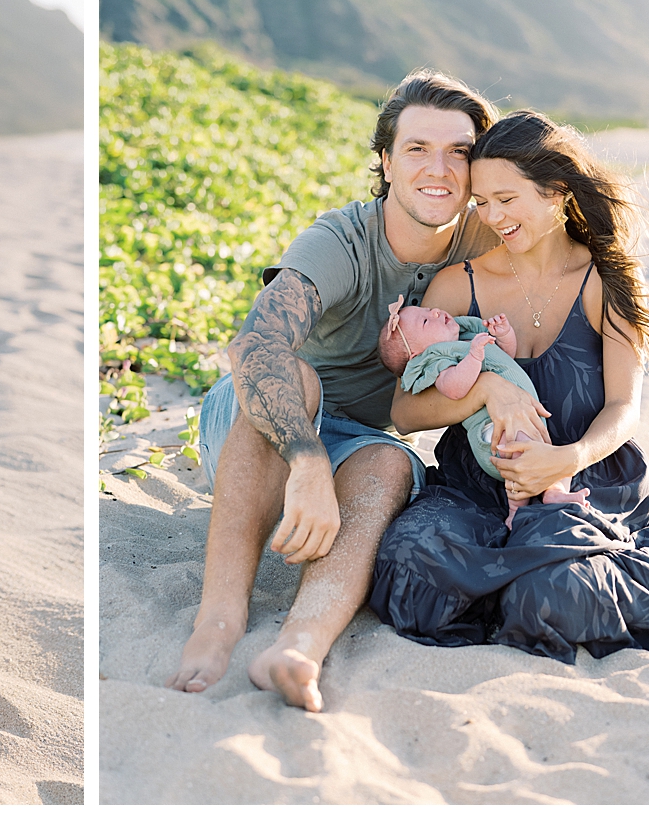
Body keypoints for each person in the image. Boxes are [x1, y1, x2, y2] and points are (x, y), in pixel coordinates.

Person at [167, 70, 549, 713]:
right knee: (303, 378)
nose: (441, 169)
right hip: (262, 414)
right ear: (386, 162)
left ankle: (299, 647)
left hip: (362, 437)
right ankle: (219, 623)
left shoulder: (483, 237)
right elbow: (255, 349)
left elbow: (564, 238)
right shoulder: (340, 240)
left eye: (459, 151)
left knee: (389, 461)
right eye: (417, 149)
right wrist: (307, 461)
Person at [370, 111, 649, 662]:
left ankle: (527, 582)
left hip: (586, 482)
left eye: (507, 199)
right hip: (475, 487)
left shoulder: (604, 280)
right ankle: (511, 580)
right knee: (408, 567)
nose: (492, 216)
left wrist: (565, 458)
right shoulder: (459, 285)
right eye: (481, 202)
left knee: (555, 596)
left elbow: (623, 407)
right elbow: (405, 411)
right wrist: (483, 393)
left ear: (557, 193)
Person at [379, 298, 587, 527]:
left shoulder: (466, 339)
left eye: (429, 310)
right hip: (493, 429)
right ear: (416, 354)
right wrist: (474, 357)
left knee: (556, 458)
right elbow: (454, 388)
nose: (437, 312)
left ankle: (555, 491)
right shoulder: (437, 359)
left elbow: (504, 359)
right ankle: (516, 509)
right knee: (519, 452)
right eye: (427, 321)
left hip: (522, 421)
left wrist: (504, 335)